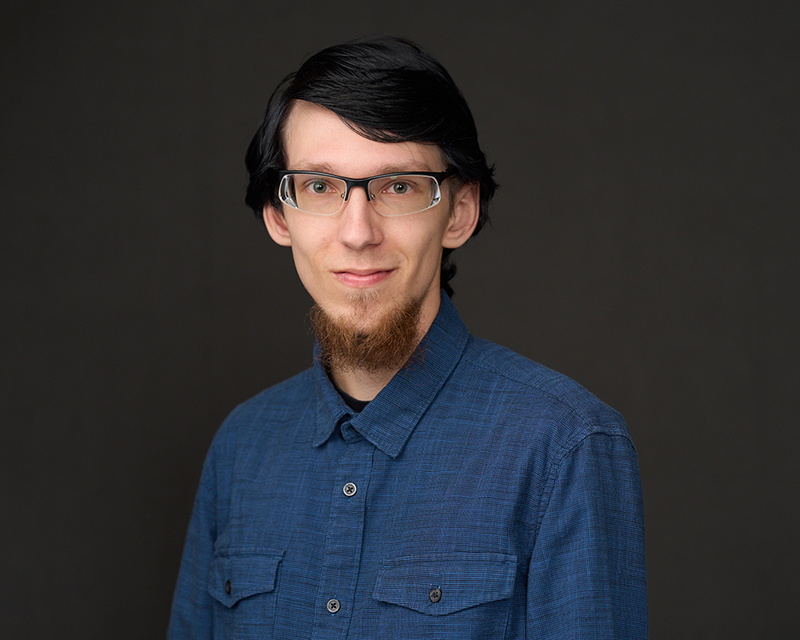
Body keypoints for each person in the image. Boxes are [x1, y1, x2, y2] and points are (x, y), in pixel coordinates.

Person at [167, 36, 647, 639]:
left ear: (460, 212)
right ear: (278, 216)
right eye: (320, 186)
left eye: (398, 186)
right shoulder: (240, 447)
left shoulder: (564, 445)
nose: (357, 231)